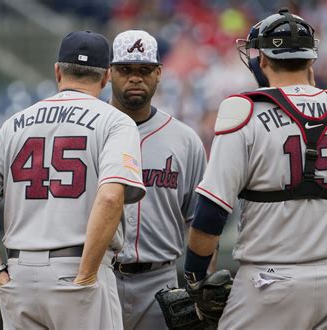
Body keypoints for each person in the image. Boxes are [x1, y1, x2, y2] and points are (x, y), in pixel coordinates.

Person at [184, 8, 327, 330]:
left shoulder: (244, 109)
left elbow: (210, 212)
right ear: (311, 59)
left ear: (262, 59)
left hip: (270, 278)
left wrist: (194, 278)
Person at [0, 30, 146, 330]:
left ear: (58, 71)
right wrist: (86, 275)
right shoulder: (115, 121)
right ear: (106, 77)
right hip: (77, 267)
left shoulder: (16, 122)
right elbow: (111, 197)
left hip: (19, 274)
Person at [109, 29, 207, 329]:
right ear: (109, 73)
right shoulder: (91, 133)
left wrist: (199, 292)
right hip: (98, 275)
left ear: (159, 73)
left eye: (144, 70)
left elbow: (200, 222)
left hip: (160, 282)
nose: (135, 78)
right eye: (125, 69)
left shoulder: (185, 140)